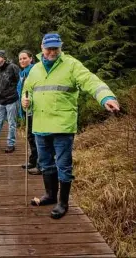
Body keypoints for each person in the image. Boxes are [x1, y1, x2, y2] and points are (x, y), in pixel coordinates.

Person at [22, 33, 120, 219]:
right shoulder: (34, 69)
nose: (52, 52)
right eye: (48, 48)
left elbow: (91, 81)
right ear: (41, 48)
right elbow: (27, 92)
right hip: (40, 126)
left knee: (63, 165)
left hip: (63, 127)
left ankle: (63, 202)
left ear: (61, 47)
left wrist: (106, 97)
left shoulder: (72, 65)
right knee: (45, 163)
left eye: (55, 48)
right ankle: (50, 196)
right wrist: (26, 102)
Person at [17, 50, 41, 175]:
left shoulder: (33, 71)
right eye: (20, 59)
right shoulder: (23, 73)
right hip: (26, 108)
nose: (22, 61)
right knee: (31, 137)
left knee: (36, 137)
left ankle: (40, 164)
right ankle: (33, 161)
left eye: (24, 58)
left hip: (33, 109)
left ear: (31, 59)